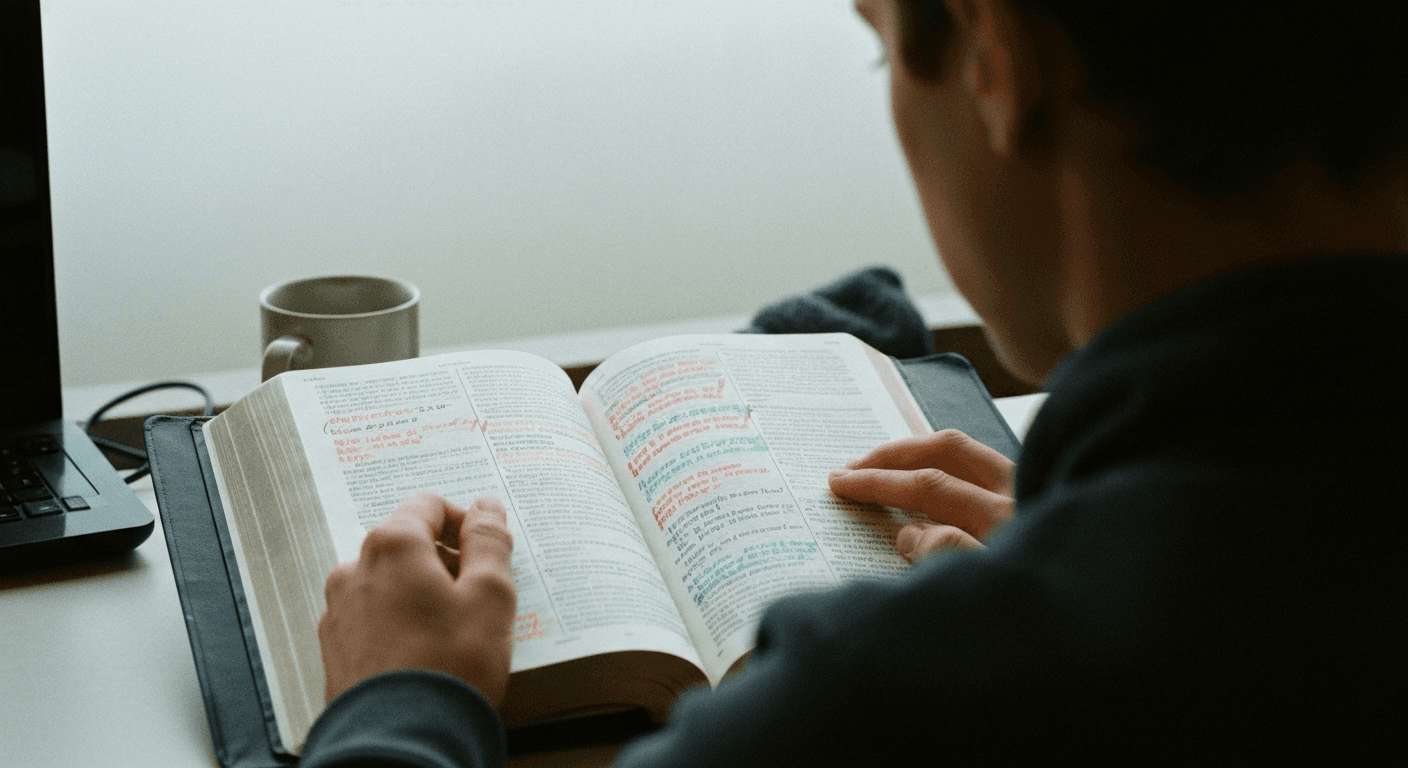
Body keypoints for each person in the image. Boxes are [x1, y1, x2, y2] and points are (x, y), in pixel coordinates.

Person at [301, 0, 1407, 764]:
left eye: (883, 49)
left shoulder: (900, 708)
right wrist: (1108, 544)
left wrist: (400, 708)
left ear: (995, 57)